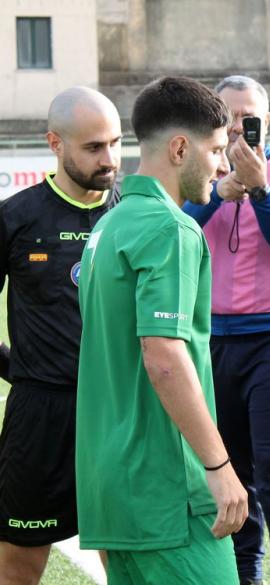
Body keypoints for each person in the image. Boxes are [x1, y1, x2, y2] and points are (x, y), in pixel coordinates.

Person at [76, 76, 249, 584]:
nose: (222, 166)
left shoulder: (109, 224)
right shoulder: (170, 227)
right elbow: (164, 358)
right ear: (180, 148)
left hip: (111, 484)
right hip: (167, 486)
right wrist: (219, 469)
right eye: (217, 150)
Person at [183, 75, 270, 585]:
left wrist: (261, 189)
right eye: (230, 115)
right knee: (230, 465)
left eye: (251, 117)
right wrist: (219, 191)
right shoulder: (197, 172)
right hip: (210, 340)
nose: (240, 126)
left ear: (269, 121)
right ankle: (246, 574)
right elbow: (175, 225)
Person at [0, 86, 121, 585]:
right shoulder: (16, 217)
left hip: (120, 412)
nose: (109, 158)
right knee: (21, 563)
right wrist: (22, 370)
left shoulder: (131, 214)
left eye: (115, 143)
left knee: (129, 557)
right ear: (55, 142)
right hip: (40, 415)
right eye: (93, 147)